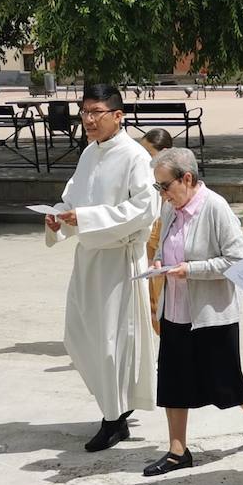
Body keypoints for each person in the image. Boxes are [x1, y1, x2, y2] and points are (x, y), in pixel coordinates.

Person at [44, 84, 158, 451]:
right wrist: (60, 219)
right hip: (89, 258)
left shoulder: (135, 157)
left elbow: (145, 209)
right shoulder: (89, 154)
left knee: (111, 343)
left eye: (96, 112)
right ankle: (114, 408)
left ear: (118, 115)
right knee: (78, 337)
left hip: (118, 260)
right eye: (84, 113)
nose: (88, 120)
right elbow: (72, 197)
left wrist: (87, 217)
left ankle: (114, 419)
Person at [143, 148, 243, 475]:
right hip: (176, 308)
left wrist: (191, 269)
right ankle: (177, 450)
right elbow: (162, 245)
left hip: (211, 312)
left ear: (187, 178)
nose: (162, 194)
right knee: (172, 379)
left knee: (224, 380)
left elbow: (236, 259)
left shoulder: (215, 208)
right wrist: (159, 262)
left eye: (165, 186)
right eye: (158, 188)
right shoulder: (171, 206)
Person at [140, 128, 176, 335]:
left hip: (165, 236)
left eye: (149, 153)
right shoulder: (144, 172)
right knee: (152, 294)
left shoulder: (173, 181)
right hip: (151, 236)